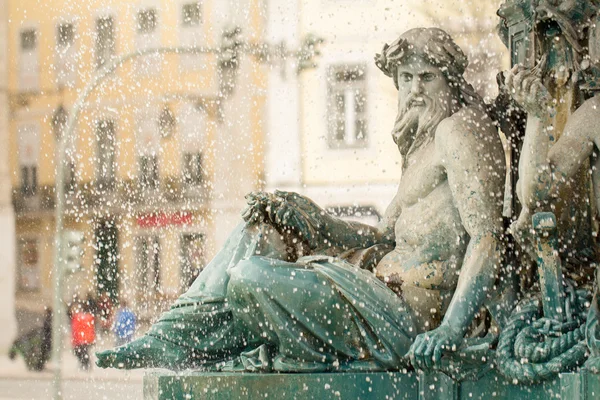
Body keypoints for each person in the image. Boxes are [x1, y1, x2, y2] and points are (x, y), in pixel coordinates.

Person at [97, 28, 506, 372]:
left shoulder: (460, 133)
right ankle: (173, 335)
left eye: (427, 76)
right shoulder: (421, 145)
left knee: (250, 278)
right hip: (373, 291)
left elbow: (488, 238)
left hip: (405, 320)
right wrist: (308, 216)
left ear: (449, 78)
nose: (414, 90)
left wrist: (451, 329)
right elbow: (382, 238)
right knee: (263, 224)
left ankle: (187, 342)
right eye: (405, 78)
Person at [71, 303, 96, 370]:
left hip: (81, 338)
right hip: (87, 338)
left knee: (81, 352)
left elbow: (75, 329)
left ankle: (85, 364)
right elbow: (91, 328)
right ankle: (86, 364)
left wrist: (74, 340)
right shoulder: (89, 317)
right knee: (84, 351)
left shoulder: (77, 317)